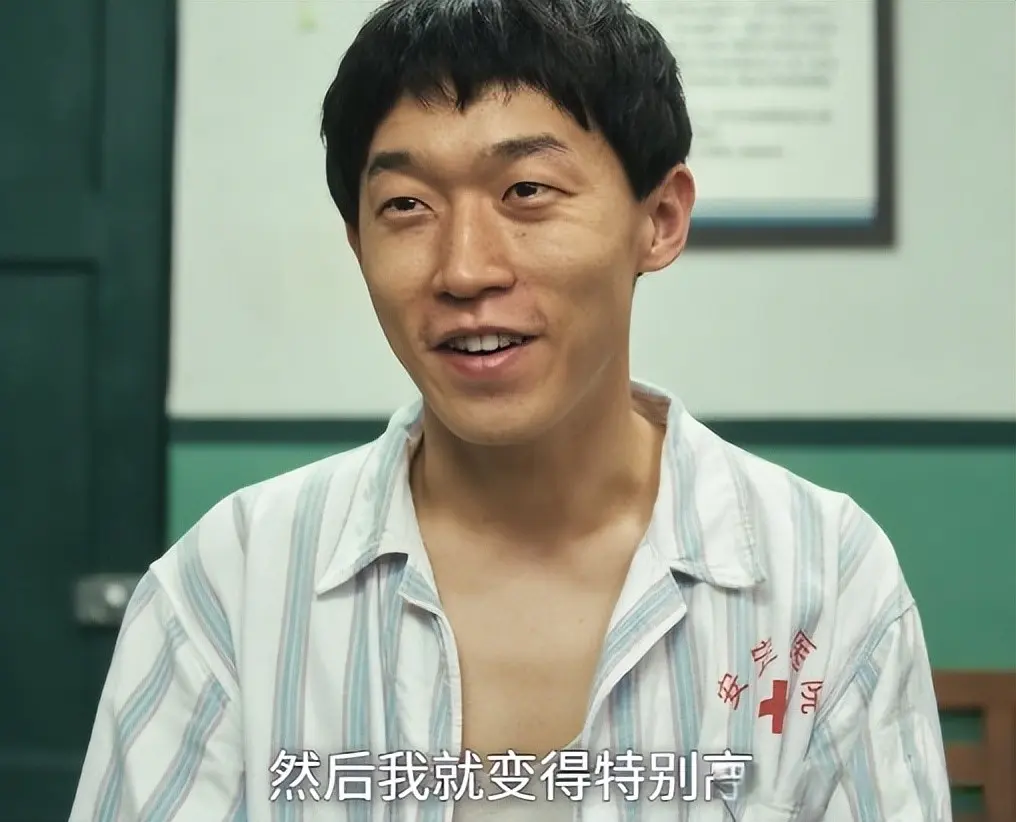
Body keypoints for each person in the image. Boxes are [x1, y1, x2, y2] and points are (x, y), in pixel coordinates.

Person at [70, 0, 953, 819]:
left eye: (527, 191)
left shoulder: (823, 579)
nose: (464, 269)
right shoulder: (231, 586)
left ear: (659, 218)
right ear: (359, 242)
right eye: (405, 205)